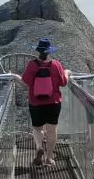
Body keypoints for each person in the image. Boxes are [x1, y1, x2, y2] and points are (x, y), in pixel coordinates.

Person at [12, 38, 69, 167]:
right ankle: (49, 158)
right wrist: (67, 72)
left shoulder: (33, 65)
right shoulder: (56, 65)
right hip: (53, 103)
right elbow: (63, 83)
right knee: (52, 131)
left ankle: (39, 147)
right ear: (50, 51)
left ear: (38, 51)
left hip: (36, 103)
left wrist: (15, 76)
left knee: (37, 129)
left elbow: (25, 82)